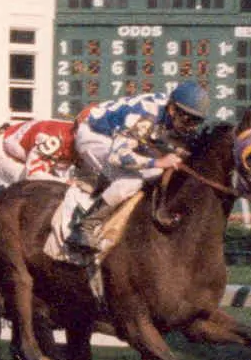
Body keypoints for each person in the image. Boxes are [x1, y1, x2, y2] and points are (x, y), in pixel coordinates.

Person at [68, 80, 208, 251]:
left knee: (156, 171)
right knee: (131, 181)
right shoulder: (147, 114)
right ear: (172, 109)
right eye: (188, 118)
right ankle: (84, 227)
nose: (191, 126)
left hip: (118, 138)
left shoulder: (166, 112)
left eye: (196, 121)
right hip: (93, 135)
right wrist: (158, 161)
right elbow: (118, 155)